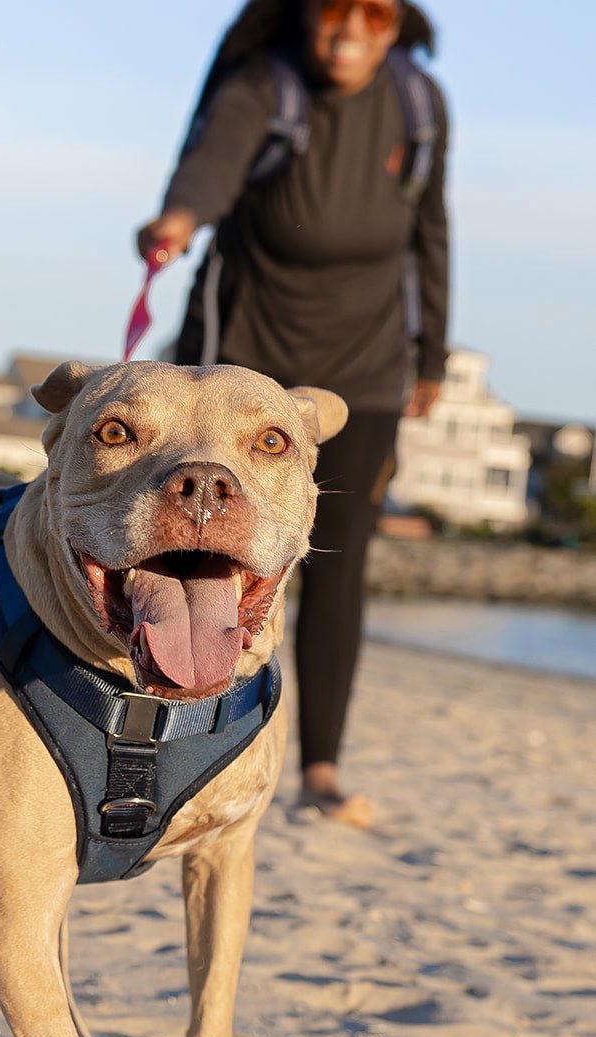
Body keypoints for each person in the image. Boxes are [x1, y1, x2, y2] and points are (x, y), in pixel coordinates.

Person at [136, 0, 449, 826]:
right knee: (201, 542)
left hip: (368, 364)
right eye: (331, 17)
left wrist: (434, 356)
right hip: (245, 360)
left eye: (370, 20)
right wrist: (176, 221)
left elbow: (430, 227)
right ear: (304, 20)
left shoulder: (417, 104)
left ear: (392, 29)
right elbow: (209, 166)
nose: (347, 36)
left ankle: (317, 766)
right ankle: (184, 721)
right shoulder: (264, 87)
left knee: (338, 567)